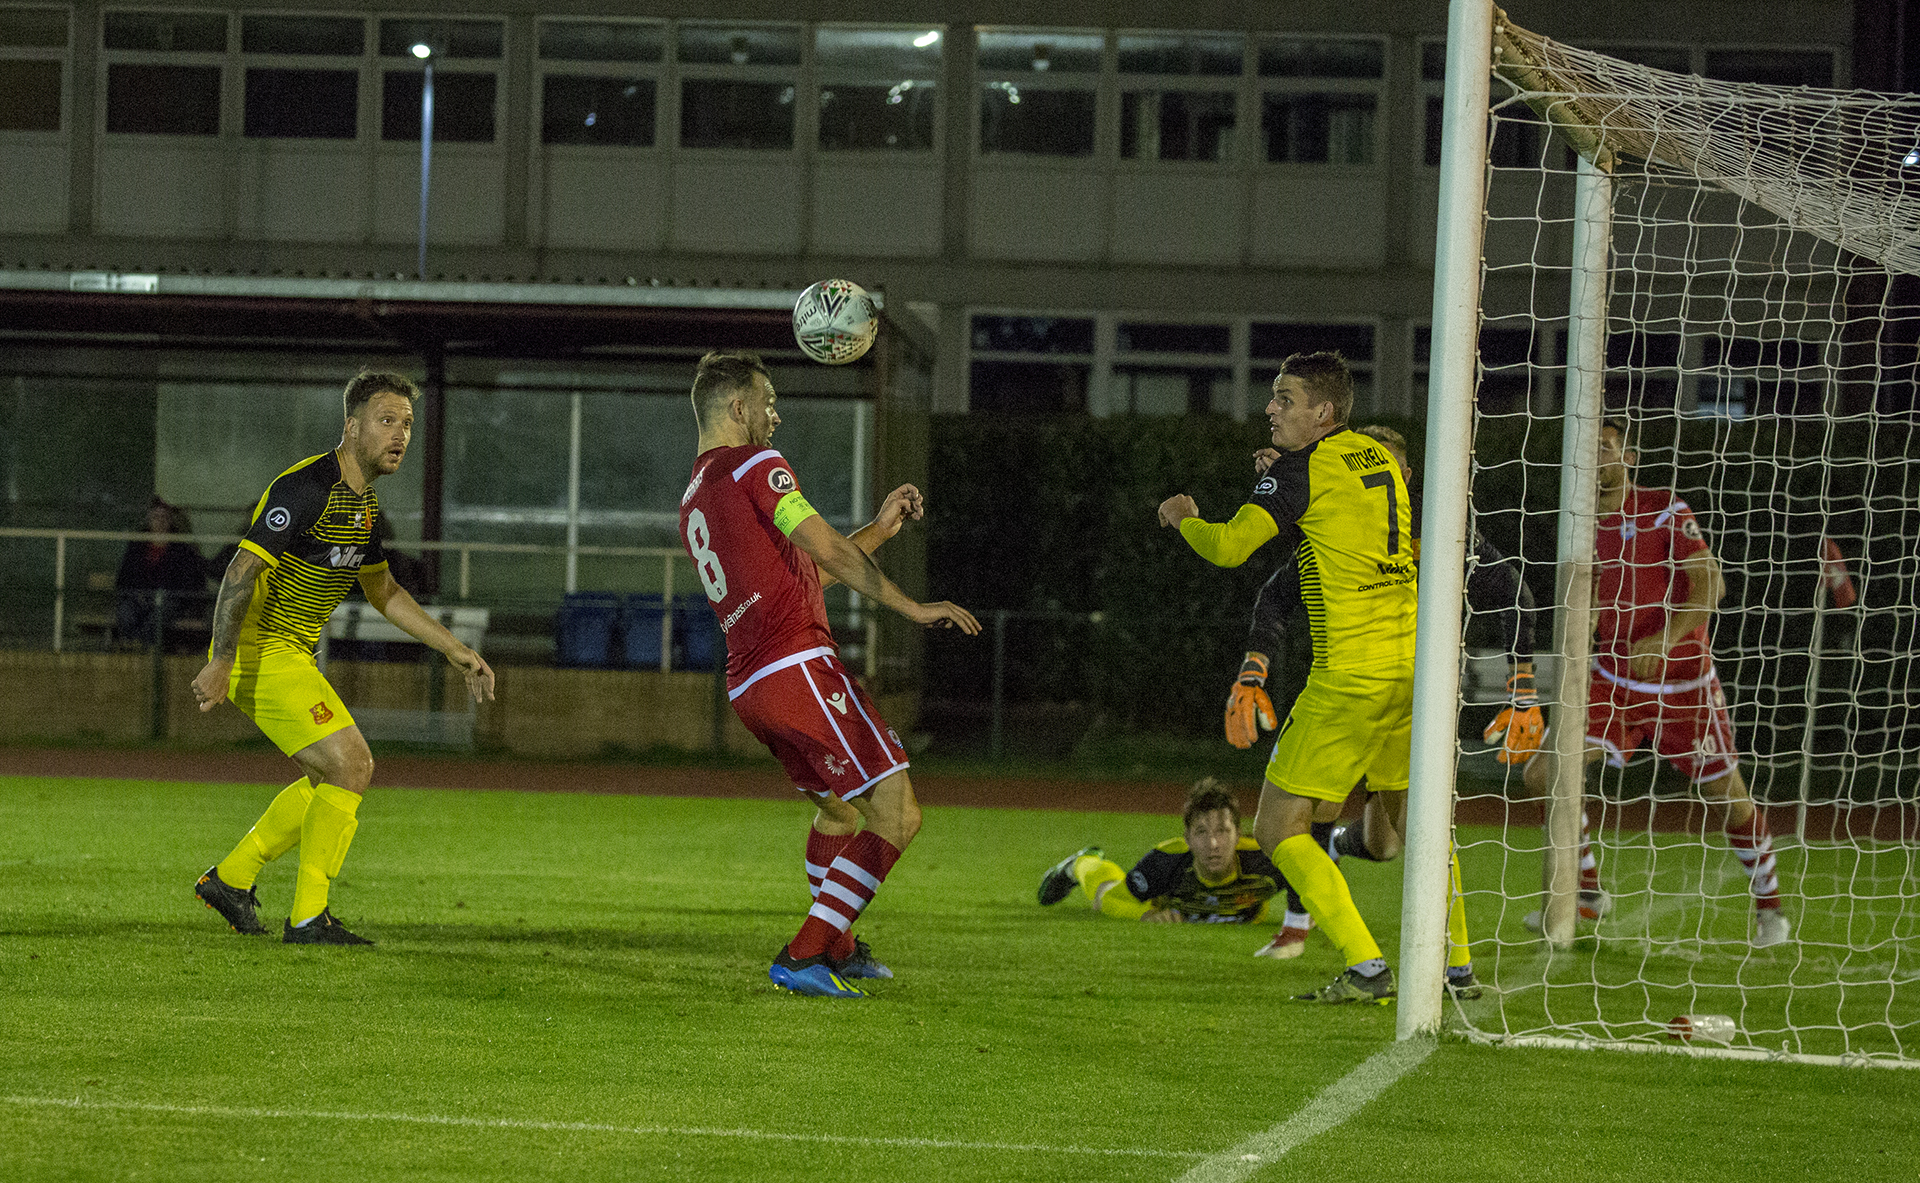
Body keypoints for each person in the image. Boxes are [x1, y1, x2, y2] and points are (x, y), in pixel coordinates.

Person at [678, 350, 980, 998]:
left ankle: (837, 946)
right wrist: (912, 606)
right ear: (738, 408)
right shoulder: (758, 464)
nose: (776, 415)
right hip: (797, 668)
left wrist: (879, 528)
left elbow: (801, 570)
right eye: (768, 401)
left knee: (841, 813)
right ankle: (805, 953)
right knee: (897, 812)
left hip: (751, 684)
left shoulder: (698, 493)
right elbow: (825, 548)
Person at [188, 370, 496, 946]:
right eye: (386, 421)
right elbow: (240, 570)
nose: (399, 434)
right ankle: (308, 917)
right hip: (259, 651)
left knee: (328, 775)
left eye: (406, 423)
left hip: (291, 654)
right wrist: (221, 660)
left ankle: (230, 880)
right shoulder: (306, 488)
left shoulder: (364, 506)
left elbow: (384, 592)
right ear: (350, 427)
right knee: (351, 765)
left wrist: (454, 649)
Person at [1231, 425, 1536, 993]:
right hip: (1412, 690)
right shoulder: (1356, 524)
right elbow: (1278, 591)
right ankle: (1438, 962)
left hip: (1365, 688)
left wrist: (1521, 680)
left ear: (1408, 479)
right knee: (1376, 828)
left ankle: (1365, 959)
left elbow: (1507, 587)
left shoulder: (1431, 525)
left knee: (1329, 828)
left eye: (1384, 467)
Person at [1156, 351, 1411, 1004]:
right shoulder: (1377, 457)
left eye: (1285, 397)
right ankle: (1458, 967)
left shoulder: (1305, 469)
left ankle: (1365, 964)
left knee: (1276, 827)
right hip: (1409, 671)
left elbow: (1228, 547)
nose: (1271, 407)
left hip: (1349, 676)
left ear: (1322, 412)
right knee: (1413, 825)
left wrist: (1184, 516)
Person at [1521, 417, 1789, 947]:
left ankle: (1769, 908)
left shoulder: (1665, 508)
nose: (1596, 458)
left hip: (1683, 687)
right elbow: (1584, 605)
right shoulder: (1575, 524)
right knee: (1543, 774)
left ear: (1629, 458)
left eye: (1605, 448)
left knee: (1728, 798)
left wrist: (1665, 638)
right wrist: (1584, 621)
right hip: (1612, 682)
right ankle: (1590, 892)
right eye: (1587, 450)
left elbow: (1712, 582)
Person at [1037, 779, 1302, 933]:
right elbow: (1110, 902)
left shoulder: (1267, 859)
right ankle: (1081, 863)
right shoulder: (1165, 862)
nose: (1213, 843)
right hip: (1153, 896)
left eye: (1223, 831)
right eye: (1201, 833)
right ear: (1186, 839)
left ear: (1238, 834)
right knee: (1104, 893)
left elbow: (1316, 869)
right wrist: (1145, 916)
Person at [113, 496, 210, 650]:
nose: (160, 521)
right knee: (126, 612)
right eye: (155, 517)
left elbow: (187, 581)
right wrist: (137, 593)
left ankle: (143, 650)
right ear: (149, 520)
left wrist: (165, 593)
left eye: (164, 517)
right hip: (140, 596)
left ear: (170, 521)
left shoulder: (181, 547)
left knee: (159, 614)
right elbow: (125, 576)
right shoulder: (137, 544)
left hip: (169, 598)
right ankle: (132, 649)